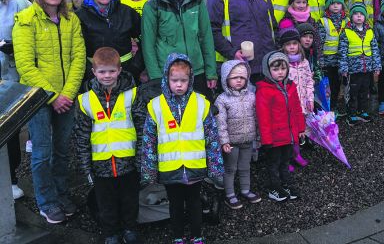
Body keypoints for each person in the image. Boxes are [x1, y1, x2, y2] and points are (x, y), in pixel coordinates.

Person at [13, 0, 86, 223]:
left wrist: (67, 93)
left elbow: (78, 58)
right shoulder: (25, 21)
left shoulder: (71, 20)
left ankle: (62, 194)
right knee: (42, 152)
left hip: (66, 96)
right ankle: (46, 201)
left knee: (62, 151)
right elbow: (25, 66)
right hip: (38, 100)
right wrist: (54, 96)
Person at [140, 53, 223, 244]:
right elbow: (149, 141)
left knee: (194, 204)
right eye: (174, 80)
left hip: (194, 166)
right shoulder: (156, 106)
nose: (179, 85)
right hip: (170, 168)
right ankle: (178, 236)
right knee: (175, 206)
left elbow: (212, 137)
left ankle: (197, 236)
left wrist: (216, 167)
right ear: (166, 79)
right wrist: (149, 170)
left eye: (183, 80)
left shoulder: (201, 103)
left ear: (190, 79)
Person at [74, 47, 143, 244]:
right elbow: (81, 135)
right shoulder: (85, 100)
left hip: (128, 162)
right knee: (106, 204)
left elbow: (141, 126)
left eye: (112, 71)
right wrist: (86, 166)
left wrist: (140, 159)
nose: (107, 75)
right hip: (100, 165)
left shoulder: (132, 94)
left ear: (120, 70)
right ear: (94, 72)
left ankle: (130, 229)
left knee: (130, 200)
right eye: (102, 71)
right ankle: (111, 233)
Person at [141, 0, 217, 98]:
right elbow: (148, 45)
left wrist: (211, 71)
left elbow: (206, 36)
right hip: (170, 73)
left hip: (196, 70)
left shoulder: (197, 2)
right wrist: (156, 77)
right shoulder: (153, 6)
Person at [207, 0, 276, 81]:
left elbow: (272, 25)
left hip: (263, 64)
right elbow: (211, 31)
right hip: (235, 67)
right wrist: (232, 52)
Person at [255, 51, 305, 202]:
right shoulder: (264, 90)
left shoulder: (290, 86)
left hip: (288, 134)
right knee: (274, 163)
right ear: (268, 71)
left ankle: (286, 183)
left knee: (286, 161)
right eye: (276, 69)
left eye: (283, 69)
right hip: (274, 138)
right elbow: (263, 117)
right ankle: (274, 187)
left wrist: (300, 129)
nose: (280, 72)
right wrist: (267, 140)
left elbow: (297, 108)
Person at [76, 0, 142, 79]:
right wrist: (89, 74)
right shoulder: (80, 16)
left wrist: (135, 67)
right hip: (94, 77)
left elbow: (145, 41)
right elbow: (77, 52)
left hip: (126, 74)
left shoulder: (127, 13)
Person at [0, 0, 30, 201]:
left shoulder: (17, 4)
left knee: (9, 129)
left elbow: (35, 21)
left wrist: (16, 46)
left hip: (10, 77)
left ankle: (10, 179)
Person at [215, 59, 262, 209]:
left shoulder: (251, 96)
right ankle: (229, 194)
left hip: (248, 139)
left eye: (242, 77)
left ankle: (245, 190)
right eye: (235, 77)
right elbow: (220, 123)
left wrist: (259, 137)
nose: (239, 81)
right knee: (230, 168)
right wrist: (224, 141)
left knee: (245, 166)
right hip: (232, 142)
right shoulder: (222, 99)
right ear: (226, 78)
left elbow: (257, 117)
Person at [338, 2, 381, 124]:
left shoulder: (370, 31)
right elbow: (342, 52)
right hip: (353, 69)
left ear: (365, 17)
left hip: (367, 69)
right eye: (356, 14)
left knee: (364, 91)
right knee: (352, 93)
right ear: (351, 16)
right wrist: (344, 69)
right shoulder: (346, 32)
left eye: (361, 14)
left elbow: (375, 50)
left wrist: (377, 66)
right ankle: (351, 114)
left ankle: (362, 111)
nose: (358, 16)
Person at [277, 25, 314, 169]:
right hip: (289, 105)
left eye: (294, 44)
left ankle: (297, 154)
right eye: (288, 45)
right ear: (283, 47)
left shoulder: (304, 62)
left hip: (303, 104)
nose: (292, 47)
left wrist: (310, 99)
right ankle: (286, 159)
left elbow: (309, 82)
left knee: (300, 130)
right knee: (288, 132)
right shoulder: (282, 65)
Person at [319, 0, 348, 113]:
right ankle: (328, 108)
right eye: (332, 4)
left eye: (338, 3)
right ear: (328, 6)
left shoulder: (347, 21)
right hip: (328, 62)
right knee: (328, 86)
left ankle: (335, 105)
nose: (335, 6)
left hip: (343, 60)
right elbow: (319, 43)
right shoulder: (323, 21)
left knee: (338, 85)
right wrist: (320, 61)